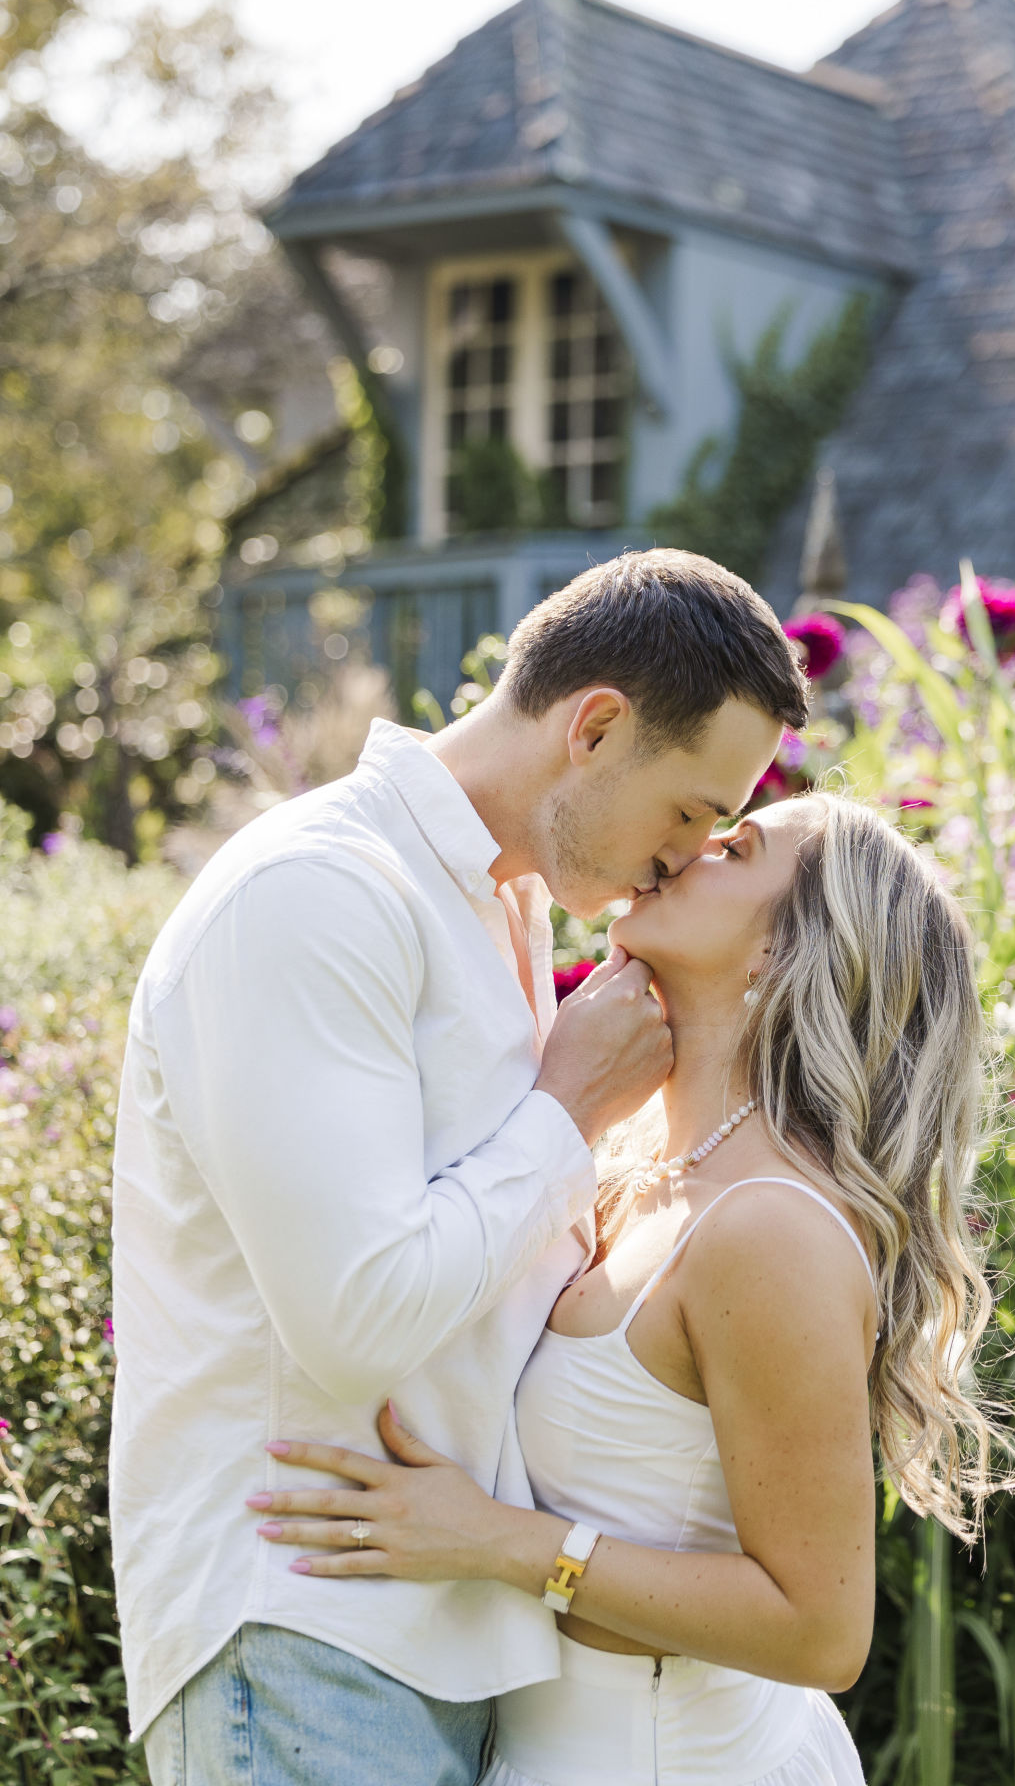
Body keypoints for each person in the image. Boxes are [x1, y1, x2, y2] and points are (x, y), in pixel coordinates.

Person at [110, 549, 809, 1786]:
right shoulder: (320, 894)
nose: (685, 856)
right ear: (594, 726)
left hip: (445, 1634)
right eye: (691, 812)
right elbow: (357, 1319)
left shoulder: (506, 910)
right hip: (304, 1627)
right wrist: (568, 1107)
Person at [243, 790, 996, 1786]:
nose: (683, 850)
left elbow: (820, 1630)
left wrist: (501, 1541)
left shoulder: (768, 1226)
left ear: (781, 949)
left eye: (735, 846)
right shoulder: (645, 1169)